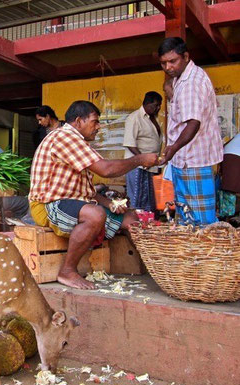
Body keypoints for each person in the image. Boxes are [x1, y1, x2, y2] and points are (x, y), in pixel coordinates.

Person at [29, 101, 158, 289]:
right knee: (95, 214)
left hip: (71, 203)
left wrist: (110, 203)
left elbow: (86, 193)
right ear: (79, 121)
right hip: (47, 205)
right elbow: (105, 169)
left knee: (131, 218)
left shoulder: (79, 143)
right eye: (95, 122)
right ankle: (67, 271)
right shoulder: (64, 137)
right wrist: (139, 159)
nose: (98, 127)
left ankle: (153, 268)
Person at [158, 37, 223, 225]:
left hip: (192, 160)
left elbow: (193, 123)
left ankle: (205, 253)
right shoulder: (183, 78)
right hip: (186, 160)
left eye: (173, 61)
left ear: (186, 57)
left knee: (200, 221)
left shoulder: (191, 83)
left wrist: (173, 148)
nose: (168, 67)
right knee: (186, 215)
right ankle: (191, 252)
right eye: (163, 63)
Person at [123, 91, 163, 211]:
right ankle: (134, 226)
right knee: (137, 199)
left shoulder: (153, 119)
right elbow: (130, 143)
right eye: (155, 105)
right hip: (138, 165)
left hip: (151, 165)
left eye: (159, 105)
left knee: (150, 200)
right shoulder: (134, 118)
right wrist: (142, 160)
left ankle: (148, 224)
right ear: (147, 104)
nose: (158, 108)